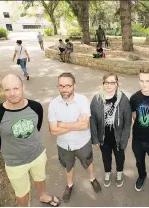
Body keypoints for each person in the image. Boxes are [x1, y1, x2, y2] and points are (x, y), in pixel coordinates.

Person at [0, 74, 60, 207]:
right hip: (15, 162)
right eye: (7, 89)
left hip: (37, 154)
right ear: (3, 90)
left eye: (16, 88)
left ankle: (43, 196)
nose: (12, 93)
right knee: (21, 193)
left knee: (40, 178)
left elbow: (36, 127)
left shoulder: (36, 107)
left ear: (23, 87)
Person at [48, 72, 102, 203]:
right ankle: (70, 185)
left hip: (83, 142)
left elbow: (84, 125)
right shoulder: (53, 104)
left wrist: (62, 124)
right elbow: (53, 131)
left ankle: (92, 179)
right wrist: (75, 124)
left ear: (74, 86)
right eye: (61, 86)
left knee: (88, 162)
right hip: (64, 145)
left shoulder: (82, 100)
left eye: (67, 86)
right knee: (68, 166)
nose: (64, 89)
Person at [90, 73, 132, 188]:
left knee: (119, 156)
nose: (109, 85)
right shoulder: (96, 99)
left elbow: (128, 122)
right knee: (106, 157)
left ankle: (119, 173)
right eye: (106, 82)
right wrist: (95, 139)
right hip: (103, 136)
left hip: (118, 137)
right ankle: (107, 172)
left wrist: (124, 140)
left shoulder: (123, 99)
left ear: (117, 84)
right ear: (103, 84)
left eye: (112, 82)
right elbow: (92, 120)